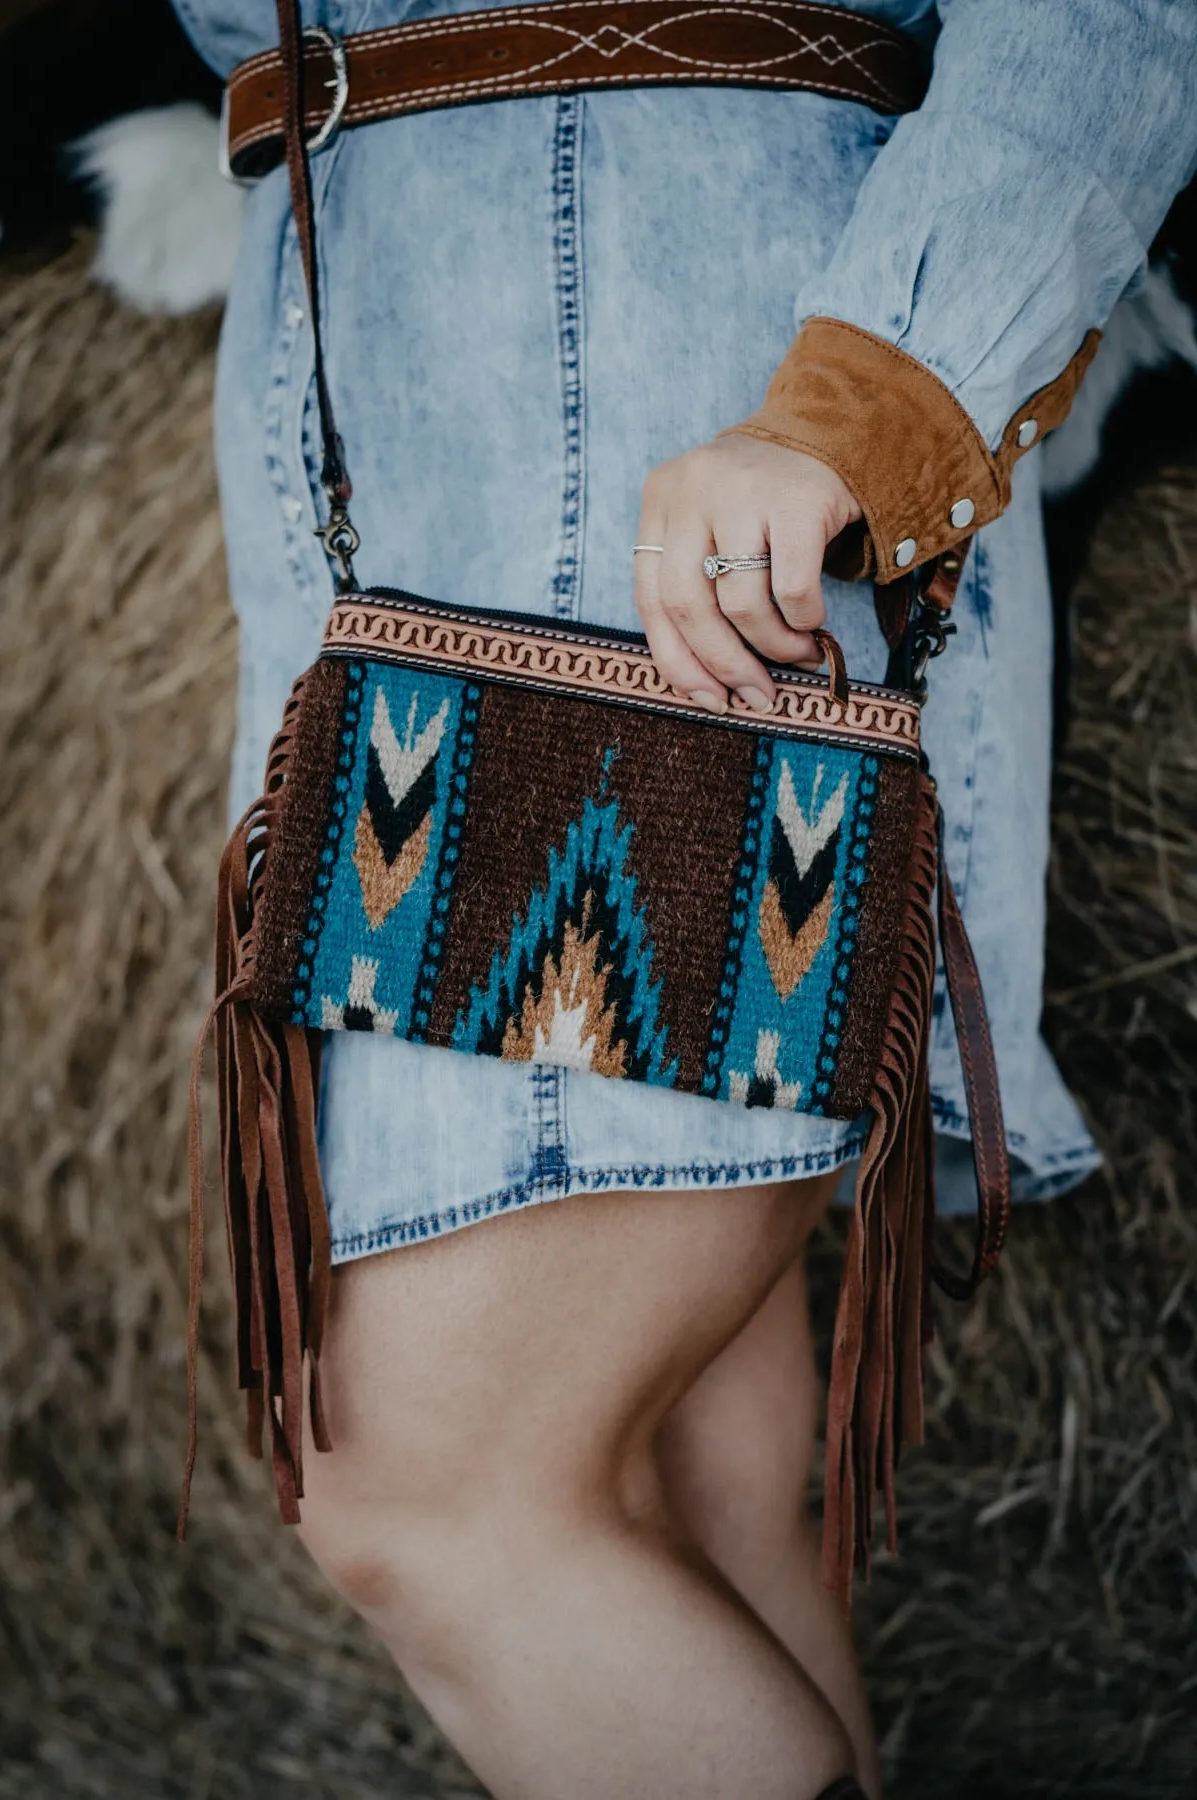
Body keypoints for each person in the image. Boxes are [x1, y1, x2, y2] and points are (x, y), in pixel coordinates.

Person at [176, 0, 1197, 1792]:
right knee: (697, 1507)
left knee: (439, 1491)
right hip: (426, 548)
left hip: (679, 539)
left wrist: (871, 404)